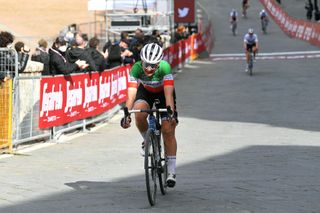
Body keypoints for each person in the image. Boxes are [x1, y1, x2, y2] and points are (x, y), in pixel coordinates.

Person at [120, 43, 178, 188]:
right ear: (141, 61)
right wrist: (127, 112)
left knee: (167, 129)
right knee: (138, 114)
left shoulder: (165, 67)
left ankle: (171, 171)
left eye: (153, 65)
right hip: (145, 92)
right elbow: (132, 93)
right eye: (146, 64)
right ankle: (148, 139)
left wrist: (171, 112)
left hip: (163, 94)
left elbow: (169, 94)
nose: (149, 69)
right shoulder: (136, 68)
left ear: (159, 63)